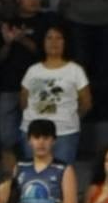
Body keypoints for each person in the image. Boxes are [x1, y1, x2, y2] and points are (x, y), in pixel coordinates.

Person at [0, 0, 57, 167]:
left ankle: (36, 174)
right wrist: (8, 43)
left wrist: (23, 40)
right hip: (9, 85)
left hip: (39, 88)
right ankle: (11, 179)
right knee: (6, 139)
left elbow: (48, 53)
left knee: (37, 138)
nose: (34, 0)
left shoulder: (47, 23)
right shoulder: (8, 24)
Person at [17, 22, 91, 166]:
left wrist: (69, 116)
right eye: (49, 38)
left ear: (65, 42)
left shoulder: (75, 70)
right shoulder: (33, 70)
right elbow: (23, 101)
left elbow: (86, 103)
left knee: (62, 173)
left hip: (64, 133)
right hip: (33, 132)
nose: (54, 42)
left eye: (59, 38)